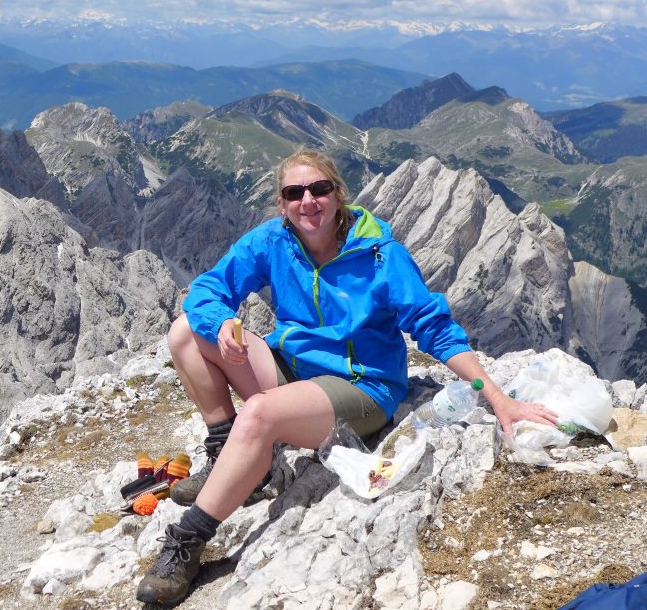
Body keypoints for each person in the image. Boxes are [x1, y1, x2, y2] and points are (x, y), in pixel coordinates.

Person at [135, 148, 559, 606]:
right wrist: (220, 320)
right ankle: (229, 461)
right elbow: (208, 288)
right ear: (282, 204)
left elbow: (433, 327)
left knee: (257, 416)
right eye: (294, 193)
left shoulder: (379, 255)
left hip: (362, 386)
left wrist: (494, 396)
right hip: (294, 370)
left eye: (319, 189)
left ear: (339, 196)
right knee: (184, 333)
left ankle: (188, 540)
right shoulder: (273, 241)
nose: (308, 201)